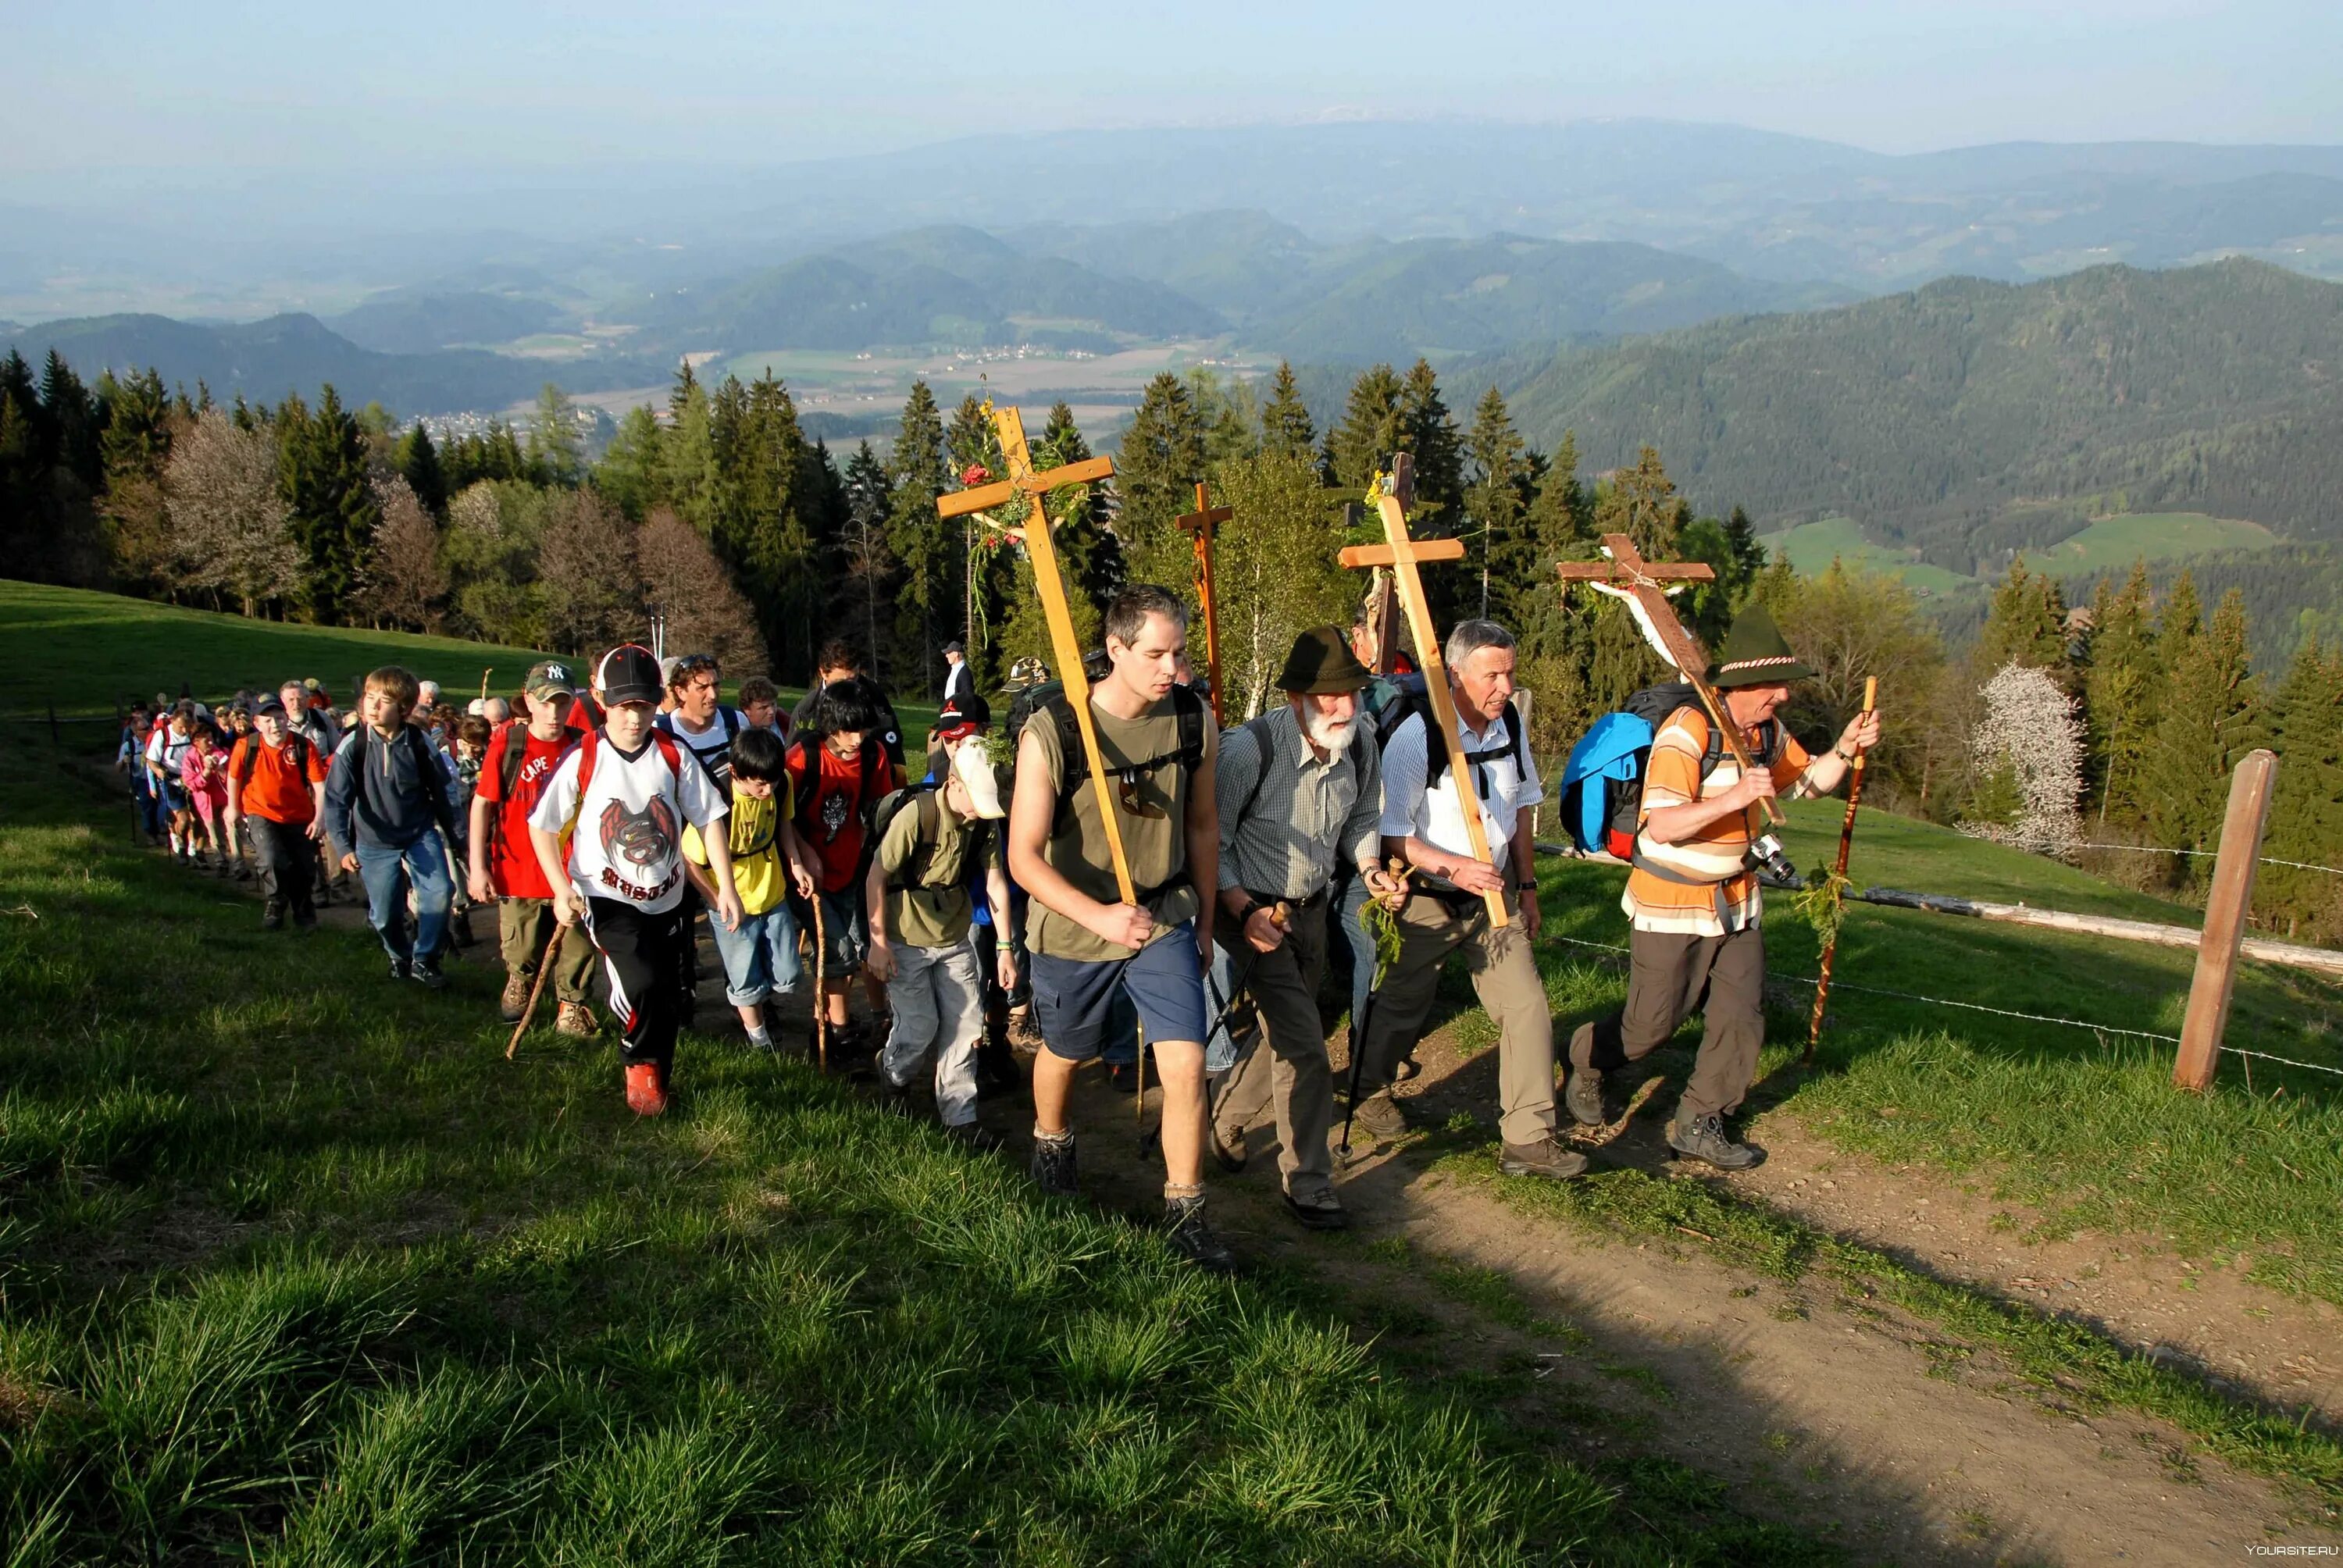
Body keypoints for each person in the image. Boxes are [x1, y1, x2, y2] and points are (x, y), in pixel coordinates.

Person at [1564, 606, 1880, 1169]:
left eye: (1784, 686)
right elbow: (1661, 824)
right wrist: (1734, 799)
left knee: (1741, 1015)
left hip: (1737, 900)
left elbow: (1810, 784)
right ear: (1739, 684)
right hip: (1670, 902)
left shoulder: (1766, 734)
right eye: (1773, 686)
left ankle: (1701, 1120)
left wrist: (1847, 749)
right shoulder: (1688, 731)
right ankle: (1586, 1058)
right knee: (1651, 1026)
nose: (1782, 696)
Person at [1010, 584, 1231, 1270]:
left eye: (1180, 653)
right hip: (1077, 926)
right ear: (1115, 650)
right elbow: (1023, 855)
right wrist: (1098, 914)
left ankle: (1186, 1213)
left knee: (1187, 1064)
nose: (1173, 669)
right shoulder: (1055, 730)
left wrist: (1205, 920)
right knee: (1068, 1052)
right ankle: (1052, 1140)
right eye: (1156, 654)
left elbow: (1201, 824)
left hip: (1164, 915)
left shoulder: (1194, 721)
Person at [1353, 619, 1583, 1180]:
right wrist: (1453, 865)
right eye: (1492, 675)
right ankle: (1366, 1092)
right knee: (1402, 1009)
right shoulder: (1417, 736)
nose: (1504, 686)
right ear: (1456, 674)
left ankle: (1528, 1139)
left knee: (1527, 1006)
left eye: (1510, 672)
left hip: (1493, 903)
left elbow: (1523, 808)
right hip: (1429, 899)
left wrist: (1526, 887)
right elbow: (1392, 832)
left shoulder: (1511, 730)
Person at [1205, 626, 1407, 1231]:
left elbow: (1365, 814)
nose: (1345, 707)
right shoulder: (1247, 750)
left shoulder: (1361, 740)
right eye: (1329, 697)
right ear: (1296, 697)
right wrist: (1244, 910)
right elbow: (1213, 840)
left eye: (1352, 692)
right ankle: (1309, 1183)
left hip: (1313, 911)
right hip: (1252, 916)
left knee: (1286, 1036)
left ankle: (1226, 1119)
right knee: (1308, 1050)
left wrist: (1370, 869)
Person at [530, 643, 743, 1117]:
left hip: (666, 897)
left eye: (644, 706)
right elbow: (541, 825)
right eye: (624, 707)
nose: (633, 718)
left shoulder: (672, 753)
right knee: (640, 981)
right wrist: (561, 888)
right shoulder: (584, 756)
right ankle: (638, 1064)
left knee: (668, 993)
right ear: (600, 698)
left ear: (658, 702)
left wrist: (724, 885)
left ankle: (658, 1074)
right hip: (605, 896)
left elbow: (708, 818)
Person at [866, 738, 1014, 1142]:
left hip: (954, 936)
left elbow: (996, 882)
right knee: (919, 1027)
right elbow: (876, 875)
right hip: (905, 938)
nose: (978, 811)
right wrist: (878, 943)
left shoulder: (984, 820)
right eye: (974, 799)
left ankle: (959, 1116)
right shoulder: (917, 816)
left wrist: (1005, 948)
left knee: (966, 1026)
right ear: (953, 783)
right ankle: (894, 1075)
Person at [470, 661, 598, 1036]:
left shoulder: (582, 746)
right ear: (528, 701)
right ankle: (520, 979)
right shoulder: (510, 746)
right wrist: (478, 867)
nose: (554, 713)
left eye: (561, 703)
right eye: (545, 703)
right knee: (522, 947)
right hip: (519, 869)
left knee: (577, 947)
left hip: (573, 870)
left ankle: (572, 1005)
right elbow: (482, 804)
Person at [324, 665, 462, 988]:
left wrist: (458, 837)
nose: (372, 706)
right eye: (369, 698)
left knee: (440, 893)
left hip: (419, 833)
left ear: (403, 708)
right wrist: (343, 847)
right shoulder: (352, 745)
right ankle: (399, 956)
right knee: (385, 915)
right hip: (374, 841)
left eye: (382, 701)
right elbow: (335, 801)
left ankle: (425, 959)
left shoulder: (419, 743)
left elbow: (444, 791)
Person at [783, 676, 895, 1057]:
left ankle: (846, 1022)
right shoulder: (802, 759)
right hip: (807, 877)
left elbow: (880, 809)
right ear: (830, 725)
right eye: (849, 731)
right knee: (837, 951)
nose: (857, 738)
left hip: (852, 869)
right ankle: (838, 1030)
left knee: (852, 949)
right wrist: (802, 852)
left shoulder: (872, 754)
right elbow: (780, 816)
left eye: (862, 729)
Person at [689, 725, 815, 1051]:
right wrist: (715, 900)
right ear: (736, 773)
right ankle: (759, 1040)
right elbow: (689, 860)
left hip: (770, 892)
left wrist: (796, 862)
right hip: (732, 903)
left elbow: (783, 823)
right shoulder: (714, 802)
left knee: (788, 974)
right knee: (745, 979)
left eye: (772, 781)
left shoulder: (779, 784)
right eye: (759, 784)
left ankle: (762, 1001)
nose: (767, 790)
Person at [223, 696, 329, 929]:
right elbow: (234, 777)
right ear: (257, 723)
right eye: (268, 720)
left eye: (279, 719)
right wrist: (233, 808)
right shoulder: (247, 746)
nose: (275, 725)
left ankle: (304, 911)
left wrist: (320, 817)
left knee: (304, 867)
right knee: (271, 859)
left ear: (287, 720)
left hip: (299, 815)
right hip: (260, 812)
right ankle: (276, 902)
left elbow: (320, 786)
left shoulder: (302, 746)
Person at [792, 641, 907, 774]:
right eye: (840, 682)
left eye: (854, 679)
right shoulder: (807, 711)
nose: (849, 687)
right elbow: (793, 756)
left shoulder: (872, 693)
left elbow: (890, 734)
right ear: (823, 673)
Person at [180, 722, 233, 875]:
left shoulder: (221, 753)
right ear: (196, 742)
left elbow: (231, 777)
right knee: (214, 833)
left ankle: (239, 864)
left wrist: (221, 771)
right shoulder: (189, 759)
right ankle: (222, 862)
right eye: (206, 740)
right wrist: (206, 773)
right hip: (206, 803)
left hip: (224, 799)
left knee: (232, 829)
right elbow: (192, 784)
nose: (211, 743)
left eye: (212, 739)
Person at [147, 704, 196, 864]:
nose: (184, 731)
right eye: (181, 727)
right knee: (183, 819)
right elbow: (151, 760)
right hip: (170, 781)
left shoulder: (192, 733)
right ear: (173, 721)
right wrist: (158, 771)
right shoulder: (162, 735)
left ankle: (194, 850)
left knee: (196, 819)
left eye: (187, 727)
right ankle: (181, 844)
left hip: (191, 780)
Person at [737, 676, 790, 742]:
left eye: (773, 704)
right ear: (747, 709)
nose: (771, 711)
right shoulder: (738, 734)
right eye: (764, 707)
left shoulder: (784, 721)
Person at [941, 639, 973, 705]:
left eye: (949, 653)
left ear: (956, 654)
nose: (946, 655)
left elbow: (967, 696)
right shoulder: (955, 669)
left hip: (957, 710)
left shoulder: (964, 672)